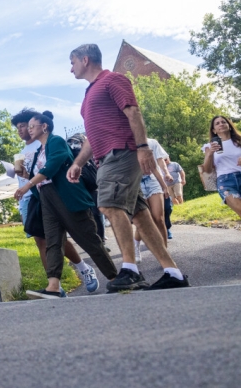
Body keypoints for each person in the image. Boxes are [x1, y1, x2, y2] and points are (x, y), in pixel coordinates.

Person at [68, 43, 189, 291]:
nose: (71, 69)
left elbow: (133, 112)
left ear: (85, 59)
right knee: (140, 216)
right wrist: (79, 162)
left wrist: (143, 147)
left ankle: (130, 270)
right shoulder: (89, 94)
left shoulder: (113, 80)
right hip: (106, 157)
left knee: (109, 205)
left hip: (121, 152)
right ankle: (173, 272)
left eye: (72, 63)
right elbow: (92, 135)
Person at [13, 111, 117, 299]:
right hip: (46, 200)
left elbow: (52, 166)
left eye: (31, 126)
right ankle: (53, 286)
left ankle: (114, 276)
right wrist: (26, 178)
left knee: (89, 239)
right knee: (52, 241)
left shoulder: (56, 141)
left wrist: (28, 185)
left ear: (44, 126)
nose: (28, 129)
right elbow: (41, 179)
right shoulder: (37, 152)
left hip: (66, 197)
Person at [134, 137, 171, 262]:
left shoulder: (149, 144)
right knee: (145, 220)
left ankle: (165, 253)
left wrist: (164, 186)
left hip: (153, 180)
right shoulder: (124, 144)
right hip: (136, 184)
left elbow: (155, 166)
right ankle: (136, 245)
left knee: (159, 218)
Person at [203, 115, 241, 220]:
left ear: (229, 125)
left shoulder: (239, 141)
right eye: (217, 123)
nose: (221, 124)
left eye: (223, 122)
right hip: (226, 181)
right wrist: (210, 153)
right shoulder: (208, 147)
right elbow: (207, 170)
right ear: (214, 130)